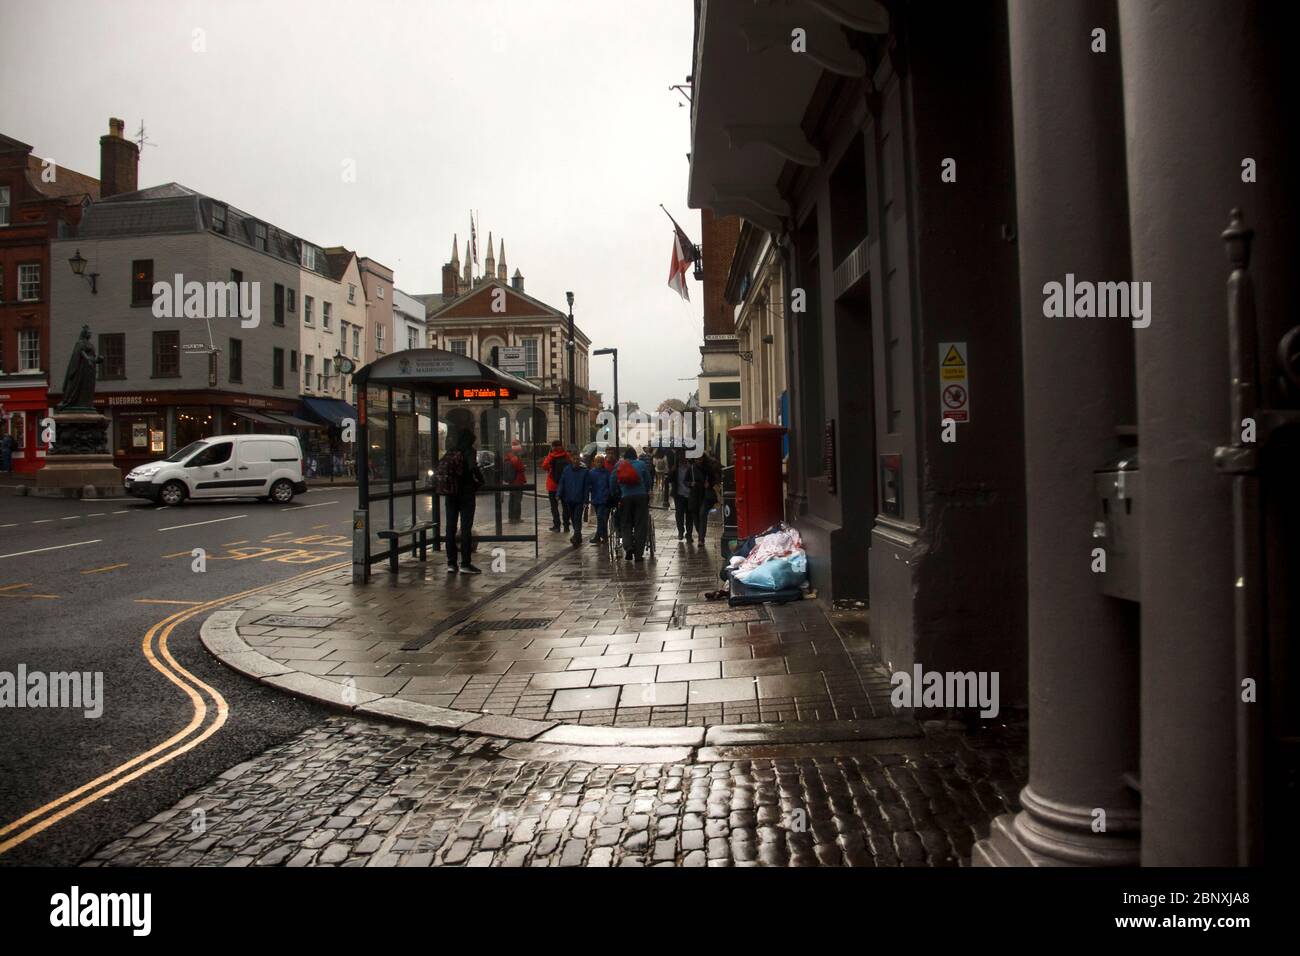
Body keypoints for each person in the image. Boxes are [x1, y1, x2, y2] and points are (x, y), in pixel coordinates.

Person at [439, 430, 484, 574]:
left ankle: (451, 563)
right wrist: (480, 480)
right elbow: (472, 467)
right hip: (465, 494)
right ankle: (465, 563)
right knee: (465, 529)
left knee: (450, 528)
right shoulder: (469, 451)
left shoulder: (451, 451)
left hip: (451, 493)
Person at [615, 446, 653, 561]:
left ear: (625, 457)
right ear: (635, 456)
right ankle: (638, 555)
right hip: (640, 497)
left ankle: (628, 546)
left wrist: (616, 493)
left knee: (625, 523)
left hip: (625, 497)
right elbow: (648, 481)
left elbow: (612, 481)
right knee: (640, 525)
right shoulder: (641, 464)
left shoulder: (619, 465)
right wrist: (645, 491)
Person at [558, 452, 593, 546]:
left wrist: (586, 500)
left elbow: (587, 487)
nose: (576, 461)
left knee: (577, 518)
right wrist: (558, 494)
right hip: (569, 498)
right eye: (574, 459)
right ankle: (578, 535)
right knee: (573, 518)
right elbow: (562, 482)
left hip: (579, 499)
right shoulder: (567, 470)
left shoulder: (584, 471)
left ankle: (575, 536)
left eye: (578, 459)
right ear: (571, 460)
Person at [541, 439, 571, 533]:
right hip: (564, 485)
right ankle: (566, 526)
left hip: (553, 485)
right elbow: (571, 465)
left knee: (554, 507)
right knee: (565, 506)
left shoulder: (551, 456)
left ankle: (557, 526)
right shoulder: (566, 455)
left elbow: (544, 466)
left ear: (553, 447)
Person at [695, 451, 720, 546]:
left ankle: (701, 539)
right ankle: (700, 534)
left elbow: (716, 478)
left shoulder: (710, 466)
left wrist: (710, 484)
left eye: (700, 459)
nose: (698, 461)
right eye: (697, 459)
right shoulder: (693, 467)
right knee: (697, 516)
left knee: (702, 514)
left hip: (707, 495)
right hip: (696, 495)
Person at [673, 450, 697, 544]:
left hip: (689, 494)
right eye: (681, 455)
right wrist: (672, 470)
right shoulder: (676, 467)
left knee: (689, 515)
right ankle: (680, 531)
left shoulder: (691, 466)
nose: (683, 457)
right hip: (679, 494)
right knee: (679, 514)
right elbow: (669, 479)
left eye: (684, 455)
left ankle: (689, 534)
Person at [588, 453, 612, 544]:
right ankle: (604, 536)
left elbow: (609, 485)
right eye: (597, 462)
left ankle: (599, 536)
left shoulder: (606, 473)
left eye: (601, 462)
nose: (599, 463)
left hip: (604, 499)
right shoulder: (591, 473)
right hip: (596, 499)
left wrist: (608, 493)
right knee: (601, 519)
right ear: (594, 462)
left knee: (601, 518)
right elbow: (589, 485)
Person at [503, 440, 527, 523]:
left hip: (511, 482)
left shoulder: (508, 457)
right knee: (517, 501)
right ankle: (517, 518)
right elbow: (520, 468)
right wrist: (523, 467)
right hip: (518, 482)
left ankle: (511, 517)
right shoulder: (515, 458)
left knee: (512, 500)